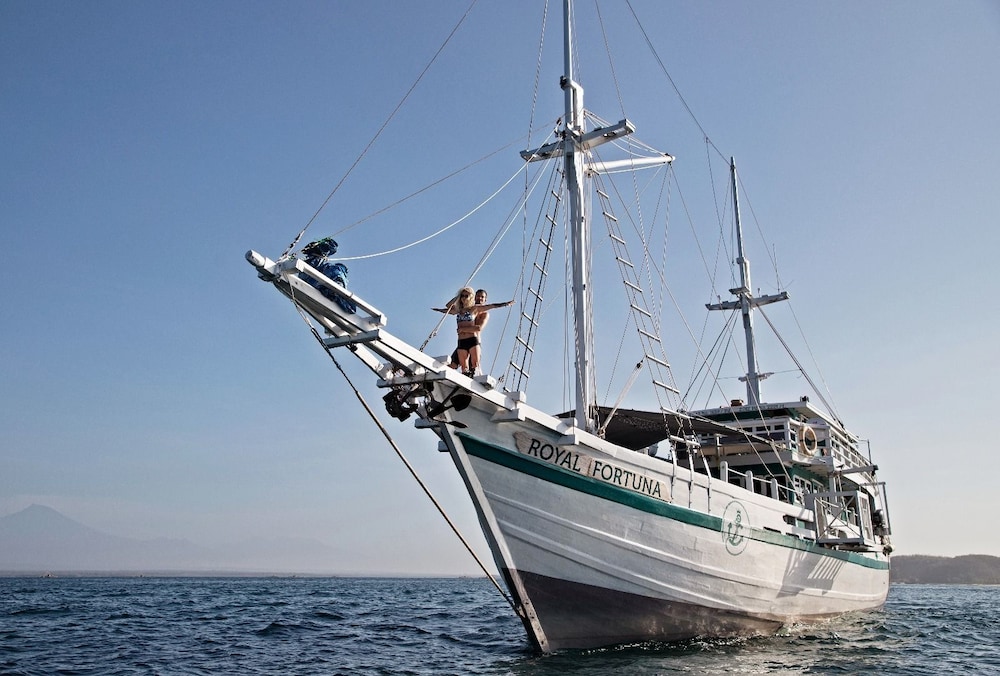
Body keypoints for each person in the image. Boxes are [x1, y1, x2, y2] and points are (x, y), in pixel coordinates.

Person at [433, 287, 513, 377]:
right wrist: (459, 296)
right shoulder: (463, 309)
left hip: (474, 341)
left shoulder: (483, 313)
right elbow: (448, 308)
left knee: (474, 369)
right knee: (454, 365)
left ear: (485, 299)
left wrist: (505, 304)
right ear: (474, 297)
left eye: (482, 297)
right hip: (462, 341)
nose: (479, 298)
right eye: (478, 296)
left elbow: (479, 327)